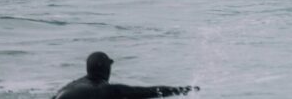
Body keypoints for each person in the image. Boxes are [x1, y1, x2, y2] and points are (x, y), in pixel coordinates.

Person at [53, 52, 197, 99]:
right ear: (107, 68)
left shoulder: (70, 86)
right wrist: (181, 90)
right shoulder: (102, 90)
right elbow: (146, 92)